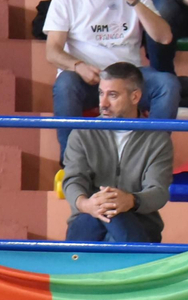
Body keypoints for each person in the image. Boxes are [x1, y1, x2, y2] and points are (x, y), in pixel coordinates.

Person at [46, 0, 179, 156]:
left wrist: (134, 1)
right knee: (65, 85)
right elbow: (53, 51)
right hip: (87, 78)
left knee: (167, 85)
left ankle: (149, 156)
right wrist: (78, 66)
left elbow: (164, 37)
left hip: (129, 77)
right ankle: (71, 161)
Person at [60, 62, 173, 243]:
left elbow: (158, 191)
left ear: (135, 97)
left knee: (116, 218)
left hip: (140, 221)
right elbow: (73, 179)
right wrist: (87, 204)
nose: (103, 103)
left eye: (112, 95)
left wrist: (130, 201)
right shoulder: (82, 133)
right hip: (89, 218)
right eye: (101, 93)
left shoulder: (157, 139)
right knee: (106, 216)